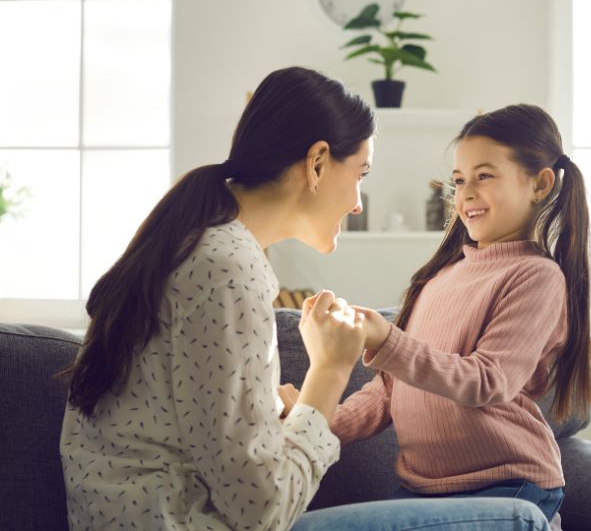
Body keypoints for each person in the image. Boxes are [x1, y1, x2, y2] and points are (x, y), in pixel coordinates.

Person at [58, 67, 550, 531]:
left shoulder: (202, 247)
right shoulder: (228, 268)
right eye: (360, 173)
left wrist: (298, 408)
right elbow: (261, 510)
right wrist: (329, 371)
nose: (358, 202)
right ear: (317, 163)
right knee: (521, 521)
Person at [312, 103, 591, 525]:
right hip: (422, 489)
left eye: (484, 176)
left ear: (540, 184)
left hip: (507, 484)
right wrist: (313, 419)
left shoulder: (536, 276)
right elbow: (388, 392)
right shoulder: (440, 278)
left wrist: (387, 341)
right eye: (458, 180)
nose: (466, 193)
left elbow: (489, 380)